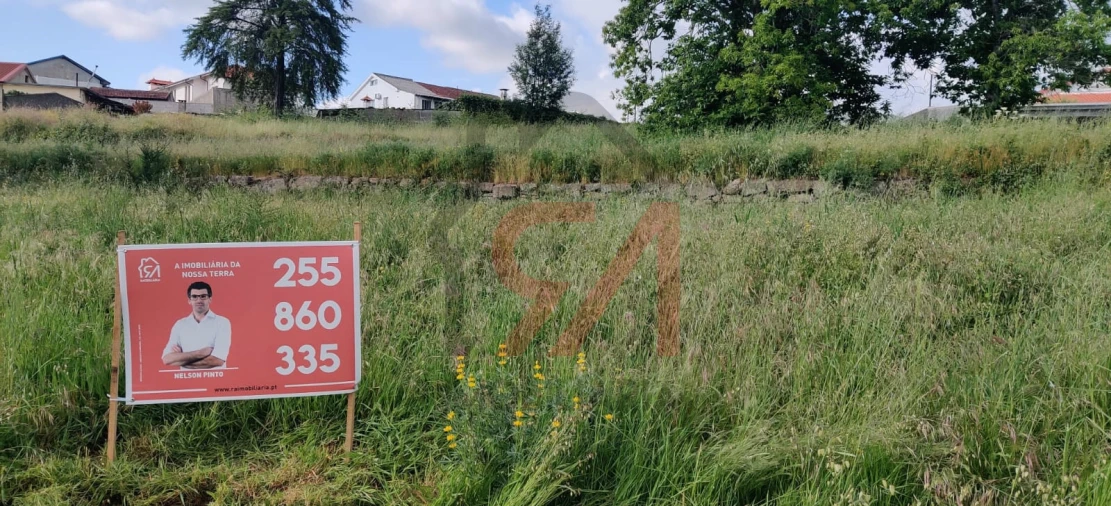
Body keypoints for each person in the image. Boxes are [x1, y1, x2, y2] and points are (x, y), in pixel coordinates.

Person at [161, 281, 232, 369]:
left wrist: (181, 359)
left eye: (203, 296)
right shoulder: (180, 325)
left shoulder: (222, 322)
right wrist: (201, 353)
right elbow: (167, 359)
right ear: (189, 300)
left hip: (215, 379)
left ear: (210, 299)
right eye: (194, 297)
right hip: (186, 380)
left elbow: (217, 360)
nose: (199, 300)